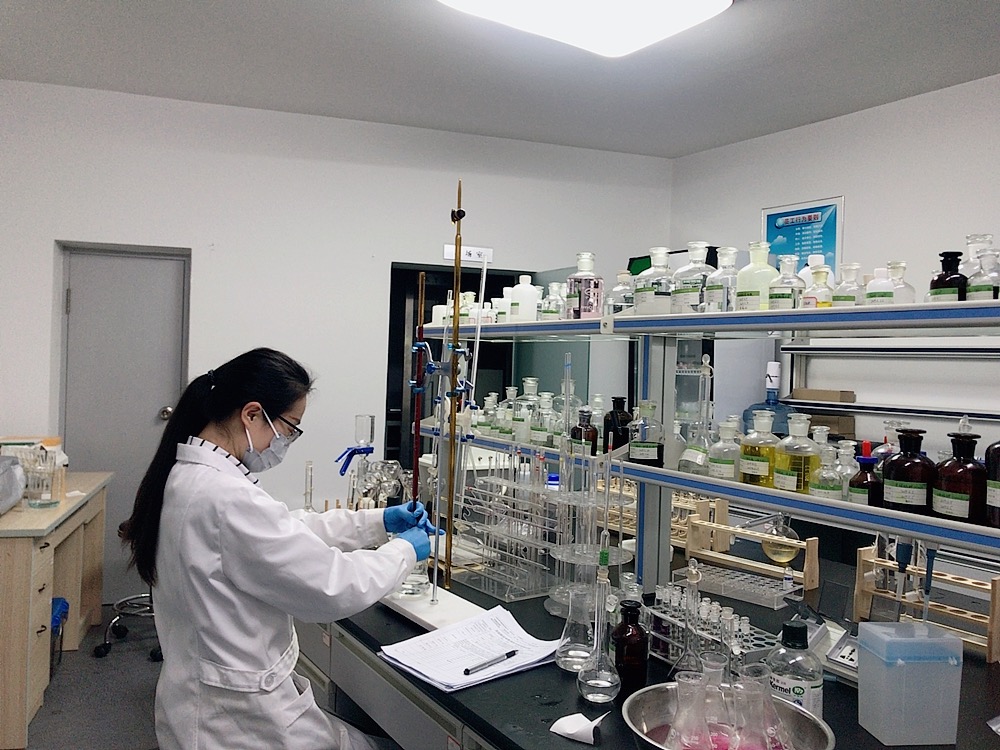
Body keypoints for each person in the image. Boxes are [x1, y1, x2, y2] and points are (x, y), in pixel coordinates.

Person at [121, 347, 437, 750]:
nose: (286, 441)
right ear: (252, 414)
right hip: (237, 721)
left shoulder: (192, 476)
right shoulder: (225, 496)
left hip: (207, 697)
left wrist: (377, 522)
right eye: (290, 428)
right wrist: (405, 551)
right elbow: (335, 586)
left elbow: (286, 530)